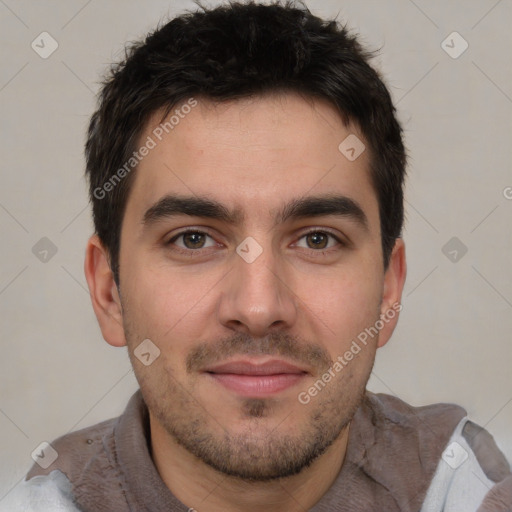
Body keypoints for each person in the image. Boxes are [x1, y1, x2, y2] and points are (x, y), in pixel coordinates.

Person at [7, 1, 511, 510]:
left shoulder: (464, 489)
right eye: (194, 239)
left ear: (388, 288)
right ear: (109, 290)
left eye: (317, 239)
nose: (258, 307)